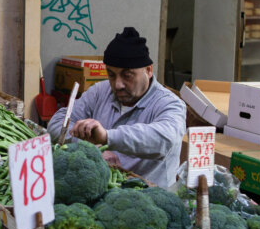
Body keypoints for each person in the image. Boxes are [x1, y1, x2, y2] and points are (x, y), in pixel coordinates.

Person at [48, 27, 186, 188]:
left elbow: (164, 139)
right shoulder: (100, 91)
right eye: (111, 75)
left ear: (148, 70)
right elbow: (58, 122)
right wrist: (94, 148)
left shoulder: (170, 104)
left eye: (127, 75)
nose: (118, 84)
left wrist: (107, 137)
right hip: (104, 190)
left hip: (149, 197)